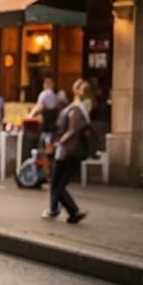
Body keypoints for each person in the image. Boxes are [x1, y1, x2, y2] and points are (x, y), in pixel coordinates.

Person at [44, 78, 90, 224]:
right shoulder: (79, 108)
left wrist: (58, 142)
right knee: (57, 181)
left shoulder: (76, 109)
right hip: (68, 150)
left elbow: (72, 129)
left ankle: (66, 210)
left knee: (58, 182)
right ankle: (65, 211)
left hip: (66, 151)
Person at [29, 75, 61, 143]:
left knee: (43, 136)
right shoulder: (55, 96)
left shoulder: (44, 94)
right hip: (53, 121)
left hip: (45, 121)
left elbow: (39, 106)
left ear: (46, 84)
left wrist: (30, 115)